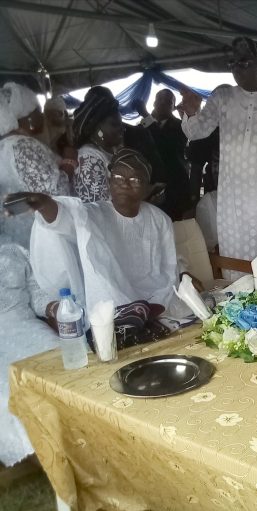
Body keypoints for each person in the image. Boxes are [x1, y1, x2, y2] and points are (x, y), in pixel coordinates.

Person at [179, 38, 257, 275]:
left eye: (244, 62)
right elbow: (197, 131)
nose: (237, 69)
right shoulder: (222, 98)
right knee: (237, 264)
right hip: (234, 203)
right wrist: (191, 112)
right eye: (233, 64)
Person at [16, 148, 179, 321]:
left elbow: (169, 266)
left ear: (147, 188)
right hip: (112, 305)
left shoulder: (160, 219)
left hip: (157, 299)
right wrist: (45, 204)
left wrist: (167, 294)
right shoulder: (93, 213)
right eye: (118, 177)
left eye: (135, 180)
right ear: (109, 182)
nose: (125, 184)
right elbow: (66, 217)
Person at [0, 236, 57, 467]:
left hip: (27, 326)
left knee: (65, 363)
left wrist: (54, 306)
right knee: (9, 390)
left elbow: (36, 294)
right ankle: (39, 456)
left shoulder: (13, 251)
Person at [0, 82, 70, 248]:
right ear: (27, 116)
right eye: (37, 110)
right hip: (42, 235)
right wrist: (70, 163)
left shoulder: (4, 145)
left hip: (16, 234)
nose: (42, 115)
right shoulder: (23, 146)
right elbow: (57, 193)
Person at [136, 89, 191, 220]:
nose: (162, 103)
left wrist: (146, 115)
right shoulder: (142, 126)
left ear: (173, 107)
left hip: (175, 188)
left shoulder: (181, 126)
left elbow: (166, 146)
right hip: (150, 189)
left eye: (168, 101)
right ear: (154, 103)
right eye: (159, 99)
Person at [72, 93, 124, 202]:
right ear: (97, 127)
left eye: (121, 125)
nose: (122, 129)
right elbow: (95, 204)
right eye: (114, 124)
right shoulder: (88, 156)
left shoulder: (113, 150)